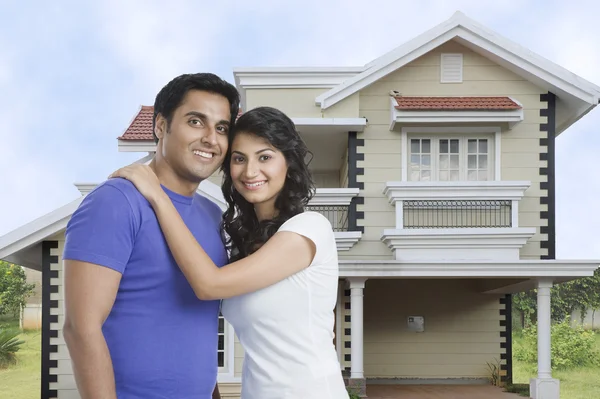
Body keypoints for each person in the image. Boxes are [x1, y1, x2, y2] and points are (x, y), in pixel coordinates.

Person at [109, 106, 349, 399]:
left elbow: (209, 284)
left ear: (289, 163)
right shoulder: (242, 245)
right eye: (239, 159)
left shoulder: (310, 229)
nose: (250, 171)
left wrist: (157, 195)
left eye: (265, 157)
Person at [62, 73, 240, 399]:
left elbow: (196, 327)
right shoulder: (115, 202)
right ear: (161, 126)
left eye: (222, 128)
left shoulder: (212, 215)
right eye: (196, 121)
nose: (211, 139)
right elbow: (80, 328)